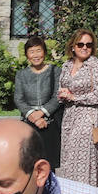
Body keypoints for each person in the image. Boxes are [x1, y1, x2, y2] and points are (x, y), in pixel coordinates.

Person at [56, 29, 98, 186]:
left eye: (89, 45)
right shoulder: (67, 65)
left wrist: (75, 97)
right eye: (80, 44)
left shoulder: (96, 65)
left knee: (83, 160)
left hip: (88, 117)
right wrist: (63, 94)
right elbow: (61, 87)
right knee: (67, 159)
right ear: (73, 46)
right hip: (69, 118)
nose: (84, 47)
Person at [14, 35, 62, 169]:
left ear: (44, 52)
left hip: (49, 123)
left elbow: (57, 97)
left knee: (48, 166)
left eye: (38, 50)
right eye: (31, 51)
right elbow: (18, 98)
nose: (36, 55)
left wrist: (42, 113)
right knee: (30, 165)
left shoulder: (55, 71)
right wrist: (33, 117)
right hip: (29, 125)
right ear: (27, 55)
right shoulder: (21, 74)